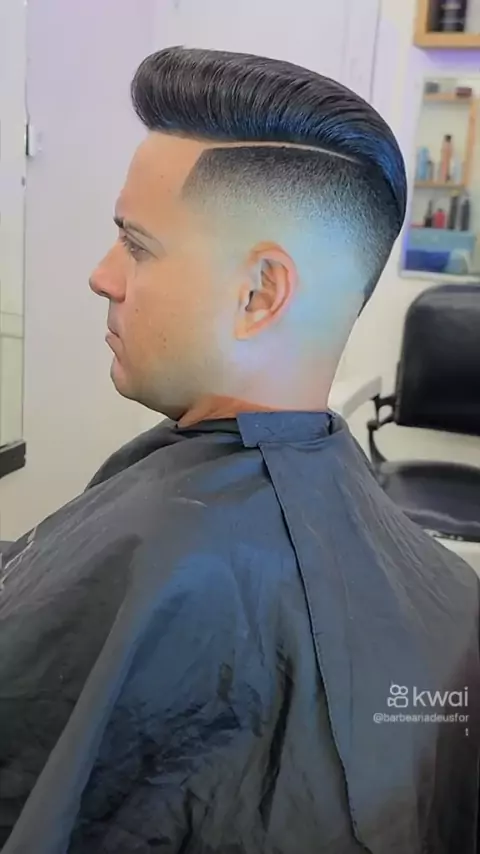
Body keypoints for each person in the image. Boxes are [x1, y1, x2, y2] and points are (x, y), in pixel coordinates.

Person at [0, 47, 478, 854]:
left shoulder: (179, 572)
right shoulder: (452, 592)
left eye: (136, 245)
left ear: (259, 294)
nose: (102, 276)